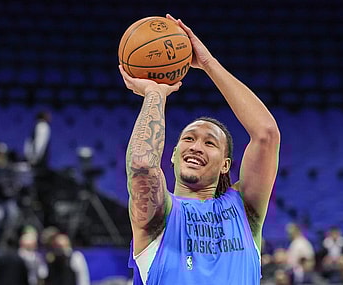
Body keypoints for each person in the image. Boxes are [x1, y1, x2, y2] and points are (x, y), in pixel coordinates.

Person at [120, 14, 280, 284]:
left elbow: (266, 135)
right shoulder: (160, 215)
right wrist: (155, 93)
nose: (196, 147)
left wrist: (208, 63)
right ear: (172, 154)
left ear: (226, 164)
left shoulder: (244, 209)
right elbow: (142, 165)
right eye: (188, 139)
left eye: (210, 143)